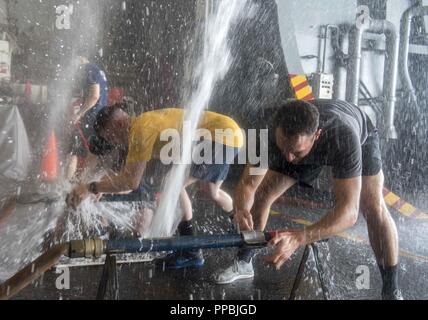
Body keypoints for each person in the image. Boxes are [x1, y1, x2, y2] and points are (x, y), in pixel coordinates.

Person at [216, 99, 403, 300]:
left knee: (373, 206)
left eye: (296, 152)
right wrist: (242, 209)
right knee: (262, 194)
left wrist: (299, 237)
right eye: (283, 148)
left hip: (360, 135)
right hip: (306, 144)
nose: (288, 158)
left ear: (317, 135)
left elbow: (349, 212)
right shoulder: (265, 129)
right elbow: (247, 185)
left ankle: (391, 290)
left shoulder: (344, 136)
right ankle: (244, 261)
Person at [67, 105, 243, 268]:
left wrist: (91, 188)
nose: (113, 142)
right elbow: (129, 182)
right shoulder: (142, 125)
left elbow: (130, 182)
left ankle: (192, 251)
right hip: (228, 133)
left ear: (119, 124)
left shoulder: (140, 131)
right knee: (210, 192)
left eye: (110, 136)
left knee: (171, 185)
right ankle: (236, 220)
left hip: (219, 135)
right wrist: (99, 188)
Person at [66, 51, 109, 181]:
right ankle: (84, 186)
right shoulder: (98, 70)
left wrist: (79, 114)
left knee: (73, 152)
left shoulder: (88, 70)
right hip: (100, 116)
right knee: (92, 153)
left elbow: (94, 96)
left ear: (79, 59)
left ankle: (65, 189)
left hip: (90, 117)